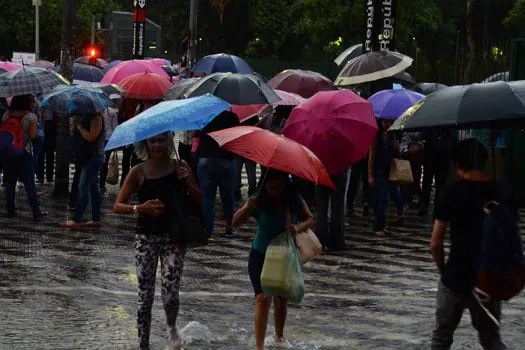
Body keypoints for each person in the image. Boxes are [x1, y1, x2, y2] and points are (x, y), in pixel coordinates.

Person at [114, 132, 201, 350]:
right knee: (145, 295)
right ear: (146, 144)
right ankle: (144, 344)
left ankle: (172, 327)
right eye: (152, 141)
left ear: (169, 142)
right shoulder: (138, 171)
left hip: (174, 237)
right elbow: (118, 205)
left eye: (161, 140)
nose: (157, 145)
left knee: (170, 293)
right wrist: (139, 208)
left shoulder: (180, 167)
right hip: (145, 238)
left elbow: (200, 200)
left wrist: (188, 181)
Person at [430, 139, 509, 349]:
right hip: (487, 279)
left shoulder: (450, 193)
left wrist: (443, 271)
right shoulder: (499, 192)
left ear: (457, 165)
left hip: (455, 276)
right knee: (491, 338)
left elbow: (435, 243)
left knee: (441, 338)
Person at [232, 169, 315, 350]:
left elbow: (310, 218)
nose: (273, 191)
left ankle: (279, 337)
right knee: (262, 299)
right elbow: (234, 222)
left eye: (277, 187)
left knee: (280, 300)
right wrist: (248, 207)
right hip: (260, 254)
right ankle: (259, 346)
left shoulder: (294, 199)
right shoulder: (259, 199)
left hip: (283, 257)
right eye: (270, 187)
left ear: (285, 185)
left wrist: (297, 226)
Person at [1, 95, 47, 219]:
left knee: (10, 182)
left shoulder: (7, 114)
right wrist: (38, 130)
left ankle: (11, 210)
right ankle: (36, 211)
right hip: (24, 153)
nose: (34, 103)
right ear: (26, 102)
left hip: (8, 152)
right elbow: (32, 136)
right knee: (29, 183)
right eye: (32, 101)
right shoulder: (31, 116)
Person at [196, 110, 240, 236]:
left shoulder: (204, 114)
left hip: (205, 157)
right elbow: (237, 136)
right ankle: (229, 227)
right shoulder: (232, 116)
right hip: (226, 158)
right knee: (227, 196)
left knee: (207, 197)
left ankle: (207, 229)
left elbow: (195, 133)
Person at [61, 111, 104, 228]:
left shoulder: (97, 119)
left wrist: (80, 127)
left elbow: (91, 137)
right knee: (94, 189)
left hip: (93, 158)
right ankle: (96, 218)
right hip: (86, 157)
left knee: (83, 188)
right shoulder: (85, 116)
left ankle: (77, 219)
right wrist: (75, 124)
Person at [368, 118, 404, 237]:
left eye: (390, 122)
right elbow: (371, 156)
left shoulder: (392, 136)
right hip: (379, 172)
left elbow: (395, 155)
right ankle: (377, 226)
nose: (388, 124)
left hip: (390, 172)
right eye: (386, 122)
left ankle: (383, 225)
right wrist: (370, 174)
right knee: (383, 199)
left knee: (386, 199)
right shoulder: (376, 136)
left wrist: (396, 147)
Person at [419, 128, 456, 217]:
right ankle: (426, 206)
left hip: (441, 160)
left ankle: (435, 208)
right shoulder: (430, 128)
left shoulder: (449, 129)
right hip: (432, 159)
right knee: (428, 183)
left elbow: (453, 142)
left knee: (438, 185)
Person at [315, 168, 349, 251]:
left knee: (321, 209)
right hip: (339, 172)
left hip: (321, 171)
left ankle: (321, 239)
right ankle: (336, 242)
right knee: (337, 209)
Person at [99, 105, 119, 193]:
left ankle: (100, 184)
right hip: (106, 139)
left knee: (102, 162)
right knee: (104, 162)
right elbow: (115, 127)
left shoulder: (109, 112)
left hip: (103, 139)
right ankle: (101, 184)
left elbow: (115, 127)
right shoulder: (111, 111)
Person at [36, 104, 56, 183]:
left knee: (46, 153)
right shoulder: (40, 102)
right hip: (44, 125)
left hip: (49, 124)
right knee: (46, 153)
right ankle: (46, 177)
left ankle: (45, 177)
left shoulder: (40, 101)